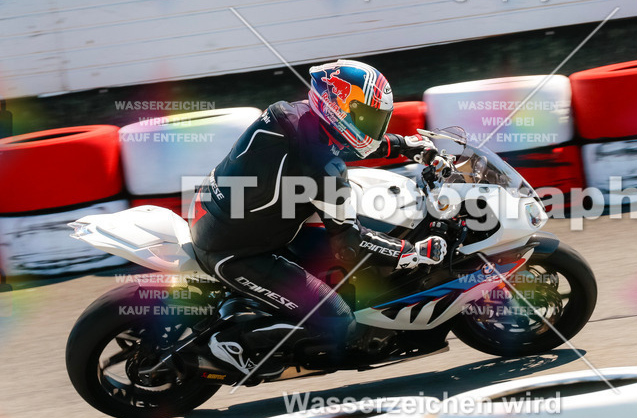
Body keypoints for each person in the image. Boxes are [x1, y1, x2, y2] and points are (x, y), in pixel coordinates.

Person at [188, 59, 448, 374]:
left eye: (378, 120)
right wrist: (414, 253)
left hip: (219, 213)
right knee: (339, 325)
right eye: (367, 118)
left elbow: (337, 144)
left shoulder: (296, 115)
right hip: (235, 251)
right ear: (339, 107)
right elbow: (351, 245)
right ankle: (227, 343)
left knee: (335, 265)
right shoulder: (324, 169)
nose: (373, 127)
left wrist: (404, 145)